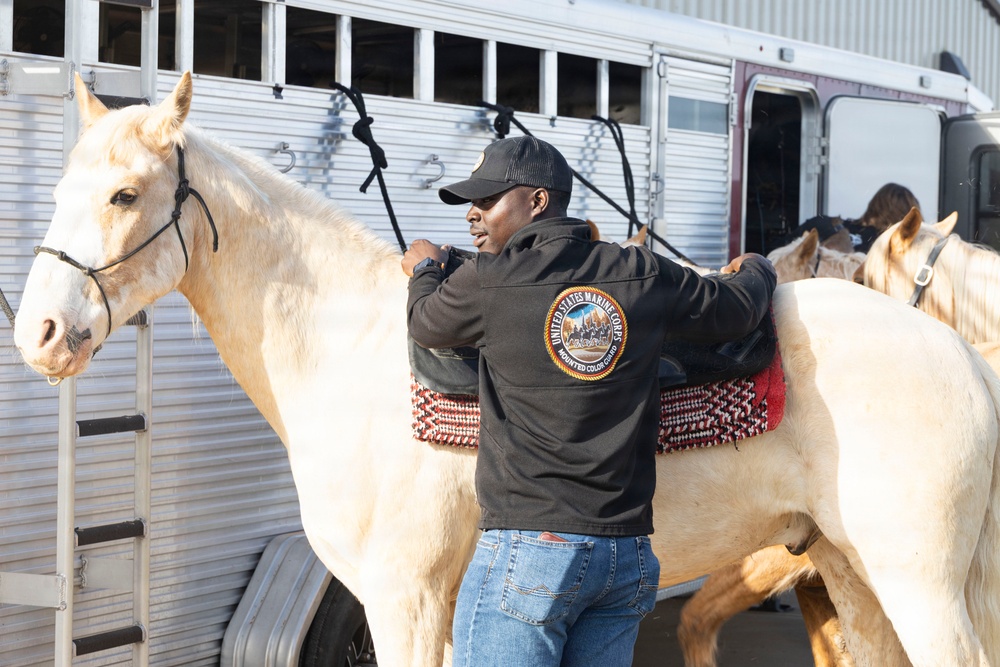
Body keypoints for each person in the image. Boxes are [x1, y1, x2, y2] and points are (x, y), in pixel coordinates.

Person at [401, 136, 776, 667]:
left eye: (488, 201)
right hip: (624, 556)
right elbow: (738, 311)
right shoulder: (640, 272)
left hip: (529, 552)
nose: (473, 215)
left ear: (537, 201)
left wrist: (424, 271)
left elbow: (426, 323)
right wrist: (758, 268)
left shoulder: (487, 281)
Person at [782, 182, 920, 253]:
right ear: (902, 217)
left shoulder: (824, 223)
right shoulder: (884, 246)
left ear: (873, 205)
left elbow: (777, 252)